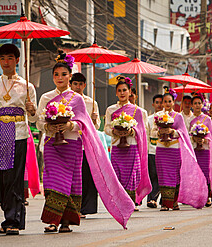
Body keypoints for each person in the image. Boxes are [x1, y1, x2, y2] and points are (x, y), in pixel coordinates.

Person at [36, 51, 136, 233]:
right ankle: (52, 220)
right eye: (56, 74)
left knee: (69, 181)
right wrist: (49, 128)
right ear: (52, 76)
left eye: (64, 74)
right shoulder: (45, 97)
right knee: (52, 181)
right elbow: (39, 122)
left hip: (72, 145)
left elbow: (84, 126)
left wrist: (69, 125)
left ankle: (66, 221)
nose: (60, 78)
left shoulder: (78, 99)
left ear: (70, 76)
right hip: (52, 144)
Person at [0, 44, 37, 235]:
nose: (6, 62)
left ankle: (13, 219)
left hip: (18, 135)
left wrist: (32, 110)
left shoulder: (27, 86)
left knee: (14, 178)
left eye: (10, 58)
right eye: (3, 58)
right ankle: (9, 215)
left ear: (18, 60)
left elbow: (35, 118)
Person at [153, 88, 208, 211]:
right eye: (165, 101)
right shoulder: (158, 116)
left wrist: (172, 131)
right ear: (162, 103)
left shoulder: (178, 116)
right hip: (161, 149)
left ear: (173, 102)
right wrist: (160, 132)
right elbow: (152, 132)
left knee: (174, 175)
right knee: (163, 175)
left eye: (169, 101)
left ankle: (174, 202)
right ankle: (165, 203)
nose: (167, 104)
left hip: (174, 149)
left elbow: (183, 133)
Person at [104, 76, 151, 211]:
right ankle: (121, 203)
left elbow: (143, 130)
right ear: (116, 93)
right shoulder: (110, 110)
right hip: (117, 147)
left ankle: (131, 202)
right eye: (119, 90)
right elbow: (106, 128)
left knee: (133, 174)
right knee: (118, 175)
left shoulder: (139, 111)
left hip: (133, 147)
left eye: (125, 90)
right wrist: (115, 132)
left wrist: (131, 131)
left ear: (130, 92)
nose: (122, 93)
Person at [69, 72, 100, 218]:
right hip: (71, 142)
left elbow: (97, 126)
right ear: (70, 85)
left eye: (81, 84)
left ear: (85, 86)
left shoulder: (91, 102)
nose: (78, 87)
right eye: (75, 84)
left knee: (87, 177)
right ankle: (73, 207)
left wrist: (94, 119)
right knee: (75, 177)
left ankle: (85, 208)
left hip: (87, 144)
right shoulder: (66, 101)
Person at [146, 94, 163, 208]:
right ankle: (151, 198)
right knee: (153, 175)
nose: (159, 105)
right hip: (152, 150)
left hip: (164, 150)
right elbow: (146, 135)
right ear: (153, 104)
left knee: (163, 176)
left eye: (161, 102)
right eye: (157, 102)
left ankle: (163, 199)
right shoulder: (149, 119)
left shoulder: (169, 118)